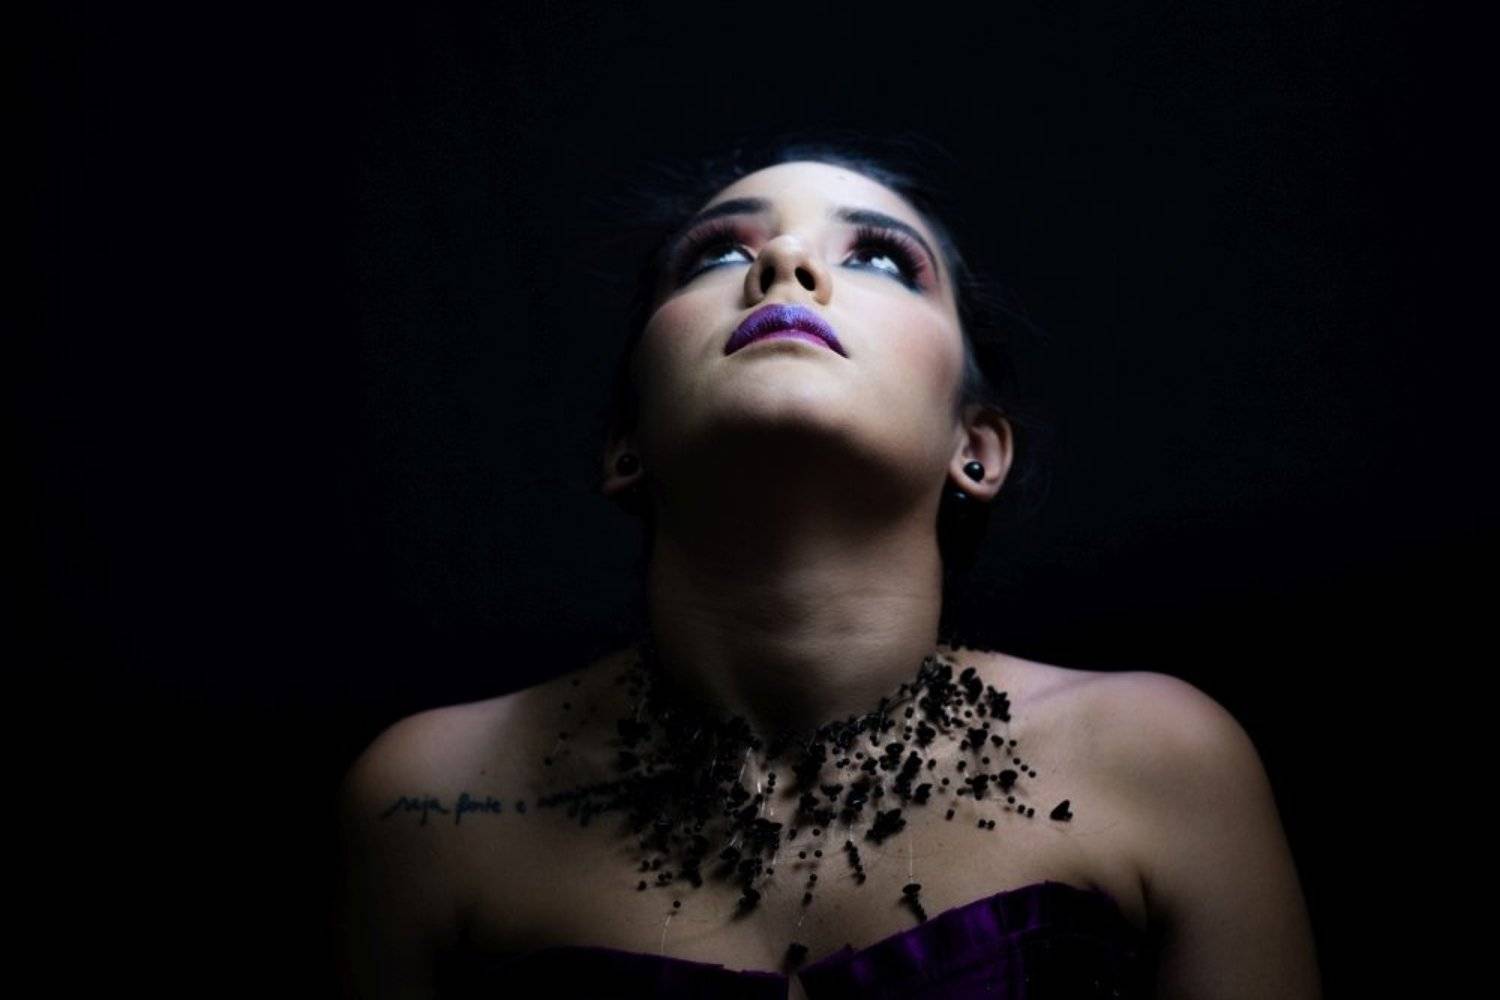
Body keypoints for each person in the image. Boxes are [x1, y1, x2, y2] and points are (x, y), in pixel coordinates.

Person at [335, 134, 1322, 999]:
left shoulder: (1162, 761)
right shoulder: (429, 801)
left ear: (976, 447)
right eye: (719, 253)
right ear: (624, 444)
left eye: (884, 259)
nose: (786, 262)